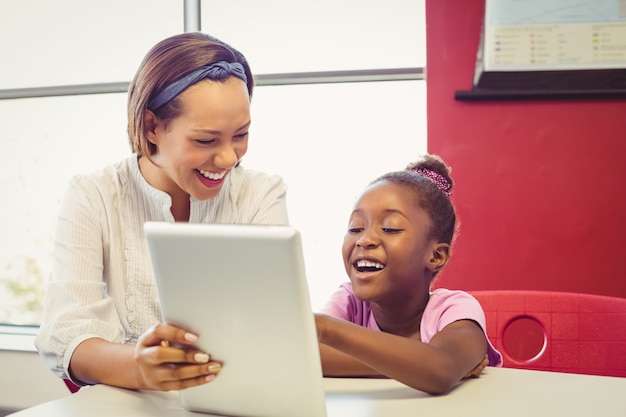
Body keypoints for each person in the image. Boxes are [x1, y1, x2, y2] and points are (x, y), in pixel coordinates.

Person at [35, 32, 289, 391]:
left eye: (241, 135)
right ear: (152, 126)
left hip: (237, 398)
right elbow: (66, 332)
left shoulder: (261, 193)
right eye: (206, 140)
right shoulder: (93, 194)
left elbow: (275, 323)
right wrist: (139, 367)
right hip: (126, 403)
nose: (229, 158)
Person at [315, 154, 502, 394]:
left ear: (436, 256)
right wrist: (416, 365)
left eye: (390, 228)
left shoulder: (455, 309)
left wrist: (325, 329)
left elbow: (439, 370)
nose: (365, 239)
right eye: (355, 227)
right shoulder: (351, 300)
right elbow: (310, 356)